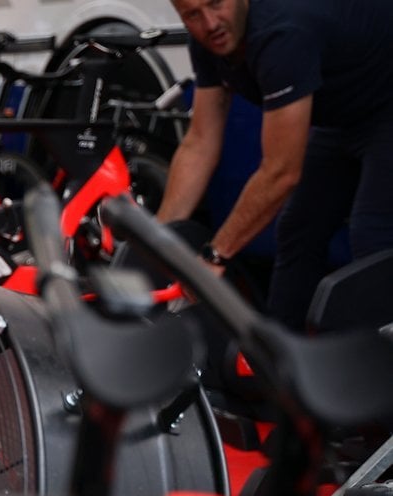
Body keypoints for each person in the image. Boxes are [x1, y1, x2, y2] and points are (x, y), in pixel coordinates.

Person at [156, 0, 393, 331]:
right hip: (347, 111)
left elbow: (282, 173)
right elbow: (199, 144)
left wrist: (215, 256)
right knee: (298, 228)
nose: (210, 23)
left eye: (216, 4)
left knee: (373, 235)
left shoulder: (280, 31)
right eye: (192, 15)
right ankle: (276, 361)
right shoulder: (208, 41)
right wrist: (156, 245)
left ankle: (377, 372)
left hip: (385, 101)